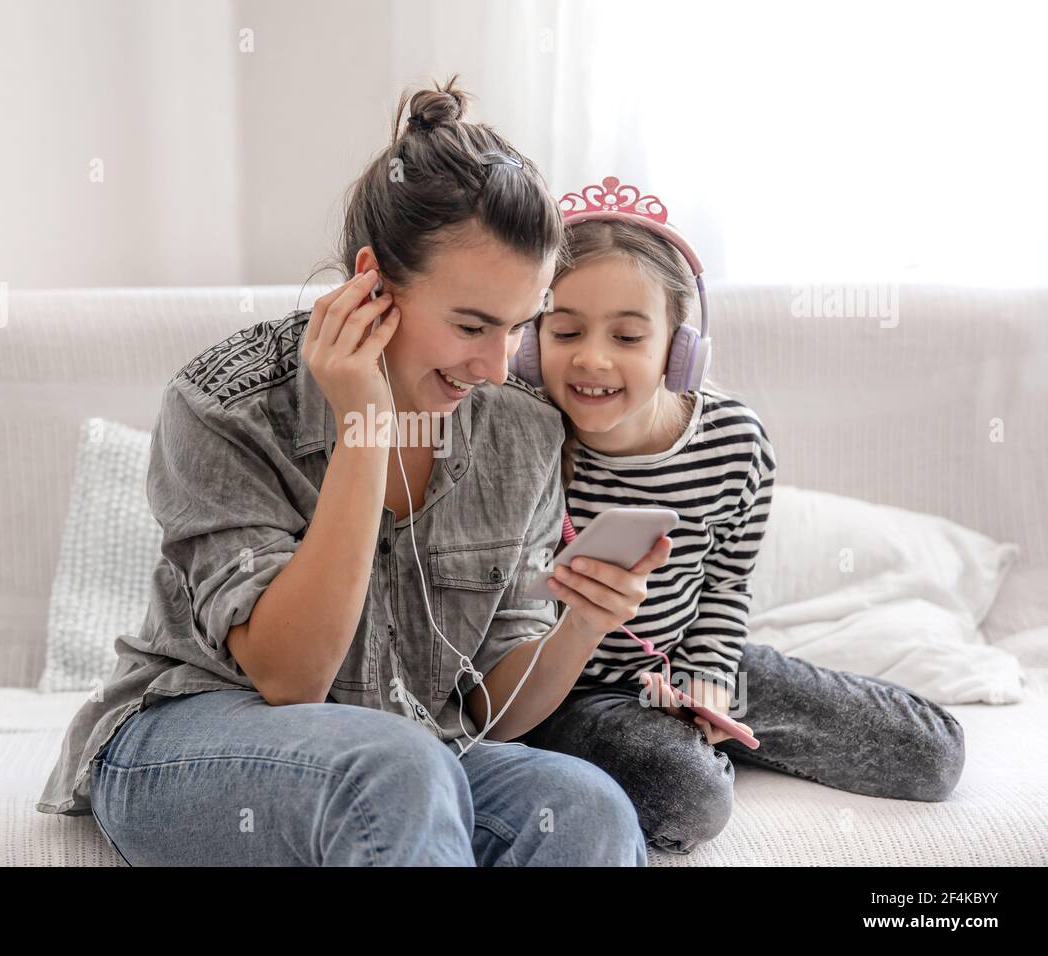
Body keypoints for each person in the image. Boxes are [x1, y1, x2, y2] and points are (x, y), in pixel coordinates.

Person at [35, 79, 672, 866]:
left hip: (419, 753)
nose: (495, 363)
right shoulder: (224, 405)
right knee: (393, 766)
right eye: (471, 325)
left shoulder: (524, 430)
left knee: (586, 805)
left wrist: (582, 624)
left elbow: (491, 715)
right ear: (373, 281)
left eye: (519, 326)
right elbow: (290, 677)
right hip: (195, 733)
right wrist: (364, 428)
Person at [512, 177, 967, 854]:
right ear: (530, 341)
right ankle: (685, 751)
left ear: (681, 349)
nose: (592, 358)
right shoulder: (517, 436)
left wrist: (710, 681)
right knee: (688, 795)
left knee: (934, 753)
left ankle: (697, 731)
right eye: (566, 329)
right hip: (565, 698)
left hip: (681, 663)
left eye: (628, 335)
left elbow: (725, 581)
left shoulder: (734, 440)